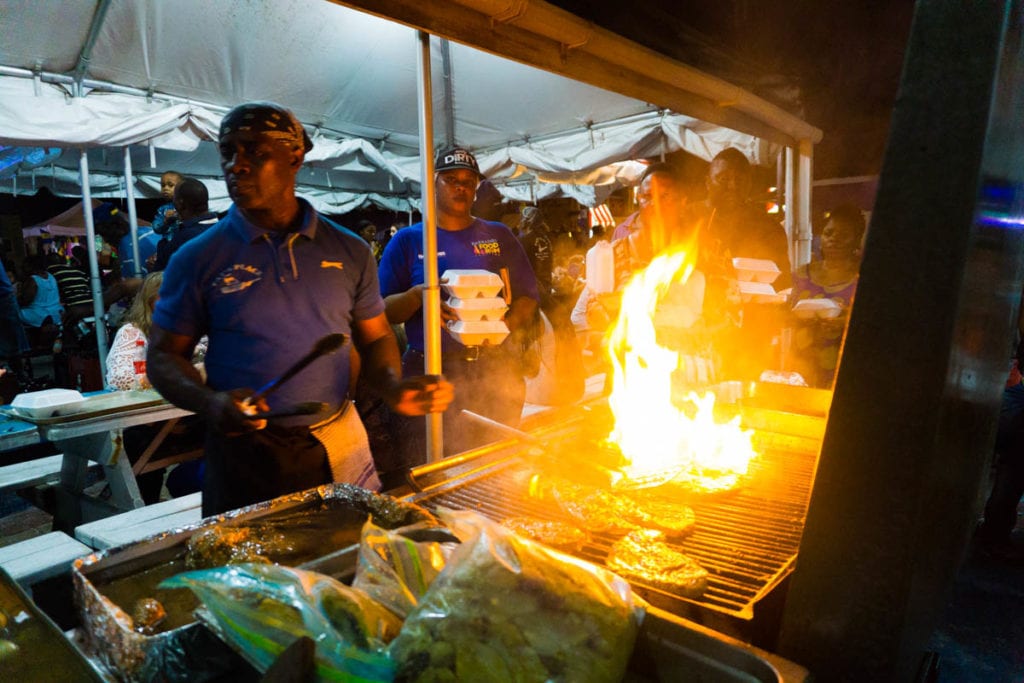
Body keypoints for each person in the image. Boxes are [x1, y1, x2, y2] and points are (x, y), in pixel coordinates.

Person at [147, 101, 453, 516]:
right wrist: (209, 402)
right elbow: (164, 356)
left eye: (254, 152)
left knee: (340, 566)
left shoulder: (349, 250)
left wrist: (392, 386)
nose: (235, 165)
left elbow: (377, 335)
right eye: (227, 152)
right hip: (242, 458)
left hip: (333, 443)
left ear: (295, 157)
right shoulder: (197, 258)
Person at [378, 146, 540, 469]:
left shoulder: (498, 236)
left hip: (492, 371)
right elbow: (381, 311)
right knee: (432, 470)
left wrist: (503, 324)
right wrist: (417, 297)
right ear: (433, 183)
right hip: (431, 373)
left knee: (494, 468)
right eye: (451, 179)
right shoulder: (409, 241)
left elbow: (528, 296)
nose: (461, 187)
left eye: (469, 181)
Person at [106, 272, 207, 503]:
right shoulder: (133, 333)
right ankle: (144, 512)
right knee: (140, 452)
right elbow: (120, 380)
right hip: (144, 424)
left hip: (186, 422)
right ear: (152, 301)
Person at [786, 204, 866, 388]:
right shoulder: (802, 273)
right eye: (829, 233)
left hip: (842, 370)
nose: (834, 240)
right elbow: (788, 313)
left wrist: (846, 322)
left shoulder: (861, 279)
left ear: (856, 241)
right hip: (801, 365)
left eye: (843, 236)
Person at [150, 177, 218, 271]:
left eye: (174, 198)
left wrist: (153, 269)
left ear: (180, 203)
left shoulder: (185, 237)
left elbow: (161, 272)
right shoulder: (227, 229)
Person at [517, 206, 554, 307]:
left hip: (531, 288)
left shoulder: (524, 240)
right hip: (547, 285)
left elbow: (518, 266)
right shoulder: (547, 239)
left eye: (522, 218)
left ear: (527, 220)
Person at [151, 171, 183, 237]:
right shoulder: (163, 209)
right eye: (163, 185)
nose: (165, 188)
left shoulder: (188, 206)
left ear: (181, 187)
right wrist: (165, 222)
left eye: (170, 185)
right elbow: (156, 228)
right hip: (169, 245)